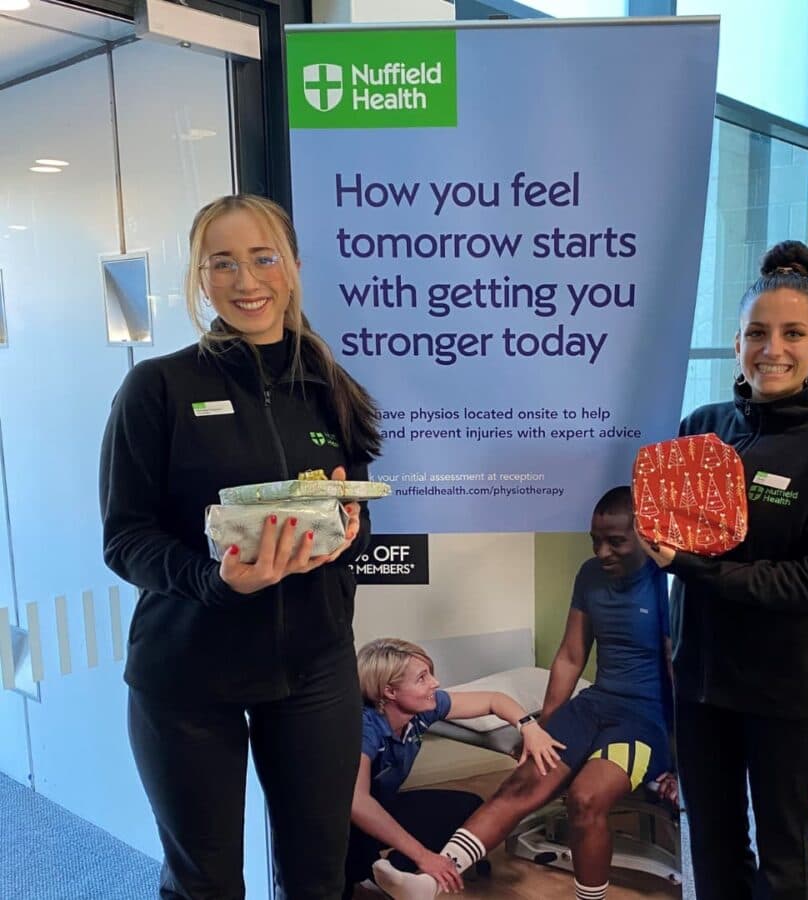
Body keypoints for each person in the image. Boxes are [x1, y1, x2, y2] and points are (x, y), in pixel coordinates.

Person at [99, 194, 381, 899]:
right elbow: (125, 538)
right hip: (189, 675)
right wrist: (217, 582)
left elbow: (356, 512)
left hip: (315, 670)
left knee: (318, 877)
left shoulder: (328, 388)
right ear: (199, 279)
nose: (246, 281)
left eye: (263, 258)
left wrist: (345, 535)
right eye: (222, 263)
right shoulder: (156, 388)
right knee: (208, 883)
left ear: (291, 269)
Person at [640, 240, 808, 900]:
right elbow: (665, 531)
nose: (774, 349)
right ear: (737, 342)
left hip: (786, 687)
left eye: (793, 333)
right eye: (758, 333)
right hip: (703, 683)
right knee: (711, 839)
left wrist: (692, 567)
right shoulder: (703, 428)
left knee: (782, 851)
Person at [372, 487, 676, 900]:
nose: (603, 552)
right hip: (595, 704)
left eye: (616, 542)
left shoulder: (668, 583)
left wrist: (681, 757)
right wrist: (543, 725)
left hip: (644, 719)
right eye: (595, 541)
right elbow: (571, 656)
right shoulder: (589, 575)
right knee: (519, 785)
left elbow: (682, 673)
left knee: (585, 799)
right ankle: (428, 883)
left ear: (646, 535)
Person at [345, 638, 564, 898]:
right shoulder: (363, 728)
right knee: (341, 876)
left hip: (376, 809)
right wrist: (424, 855)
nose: (434, 684)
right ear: (390, 692)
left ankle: (395, 873)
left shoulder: (422, 711)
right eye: (422, 678)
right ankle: (364, 873)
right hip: (333, 828)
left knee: (465, 807)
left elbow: (494, 700)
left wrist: (529, 727)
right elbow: (357, 802)